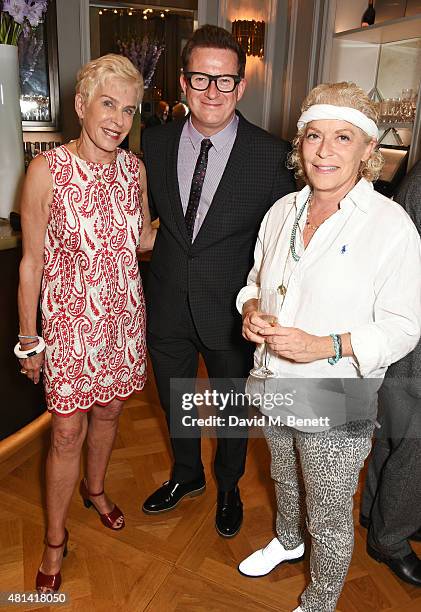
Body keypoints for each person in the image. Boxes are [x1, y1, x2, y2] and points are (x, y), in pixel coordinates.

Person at [236, 82, 421, 611]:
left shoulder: (390, 226)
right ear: (300, 145)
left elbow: (405, 326)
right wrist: (250, 311)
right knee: (282, 474)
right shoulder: (281, 212)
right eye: (314, 136)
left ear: (368, 150)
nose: (325, 150)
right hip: (269, 379)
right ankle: (288, 541)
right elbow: (254, 280)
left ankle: (321, 599)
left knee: (330, 507)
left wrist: (323, 346)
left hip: (336, 396)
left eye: (343, 137)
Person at [141, 24, 295, 537]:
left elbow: (281, 242)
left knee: (230, 406)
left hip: (233, 311)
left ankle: (228, 485)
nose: (212, 92)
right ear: (183, 83)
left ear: (241, 86)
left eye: (224, 81)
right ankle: (188, 476)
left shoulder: (272, 156)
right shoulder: (154, 142)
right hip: (165, 302)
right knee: (175, 398)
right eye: (201, 79)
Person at [16, 54, 156, 593]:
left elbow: (139, 241)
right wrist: (30, 339)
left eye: (129, 109)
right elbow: (30, 262)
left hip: (122, 318)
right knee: (66, 432)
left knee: (111, 413)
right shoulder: (45, 171)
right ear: (80, 105)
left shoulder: (134, 170)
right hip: (69, 326)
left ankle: (95, 489)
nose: (119, 119)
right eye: (107, 103)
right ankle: (55, 539)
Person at [361, 158, 421, 587]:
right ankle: (390, 539)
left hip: (401, 337)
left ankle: (376, 513)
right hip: (409, 337)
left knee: (398, 436)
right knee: (414, 445)